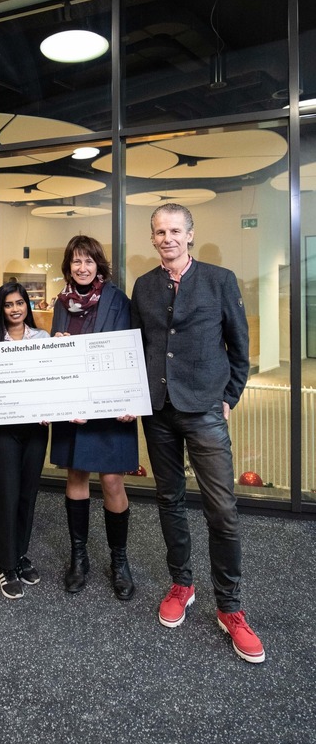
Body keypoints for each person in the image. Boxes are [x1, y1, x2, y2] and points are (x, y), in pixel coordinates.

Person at [130, 203, 265, 664]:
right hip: (159, 411)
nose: (167, 238)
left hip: (205, 407)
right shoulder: (144, 286)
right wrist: (134, 396)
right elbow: (137, 347)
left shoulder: (220, 280)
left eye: (174, 231)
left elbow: (240, 347)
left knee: (221, 509)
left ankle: (231, 608)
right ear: (152, 238)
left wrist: (229, 395)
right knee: (169, 500)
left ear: (189, 235)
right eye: (159, 232)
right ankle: (182, 583)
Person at [51, 235, 138, 600]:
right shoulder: (61, 302)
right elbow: (56, 356)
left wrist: (131, 396)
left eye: (88, 261)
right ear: (68, 266)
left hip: (111, 405)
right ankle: (79, 558)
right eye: (76, 262)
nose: (82, 268)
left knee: (113, 480)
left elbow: (134, 345)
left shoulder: (118, 299)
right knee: (76, 475)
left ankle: (119, 560)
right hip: (74, 406)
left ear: (98, 264)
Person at [0, 282, 50, 600]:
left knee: (27, 494)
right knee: (6, 495)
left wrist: (55, 407)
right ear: (1, 309)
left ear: (27, 306)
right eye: (8, 304)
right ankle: (6, 564)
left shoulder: (44, 339)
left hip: (36, 429)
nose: (15, 309)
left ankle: (20, 555)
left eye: (20, 303)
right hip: (2, 431)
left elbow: (53, 381)